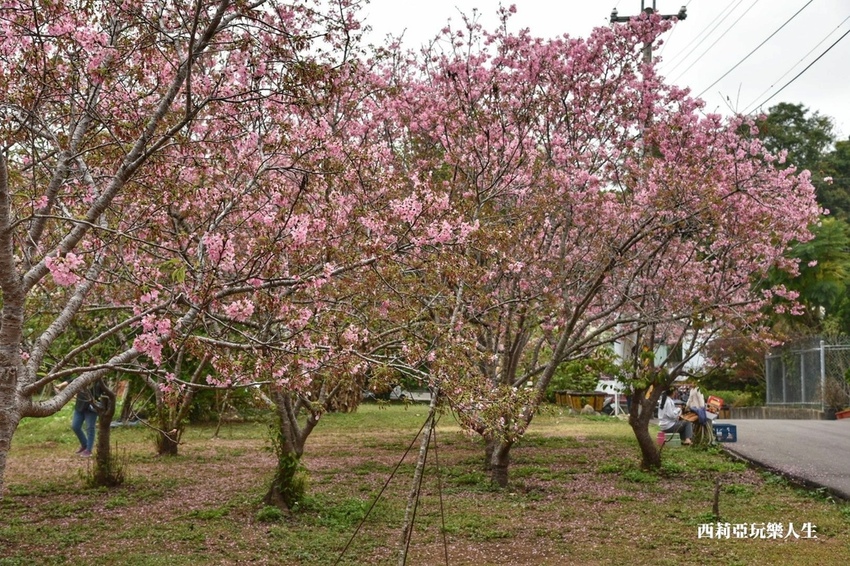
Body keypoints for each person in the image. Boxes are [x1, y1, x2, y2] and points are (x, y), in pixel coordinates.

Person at [70, 381, 103, 457]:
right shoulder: (83, 377)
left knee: (90, 428)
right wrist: (61, 385)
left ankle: (88, 450)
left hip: (91, 409)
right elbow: (72, 381)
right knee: (75, 426)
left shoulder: (99, 381)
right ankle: (84, 444)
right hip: (80, 406)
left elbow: (104, 395)